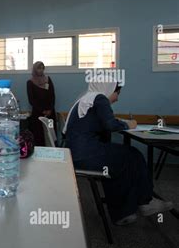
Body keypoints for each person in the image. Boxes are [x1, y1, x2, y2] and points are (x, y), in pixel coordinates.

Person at [64, 81, 174, 225]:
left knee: (118, 161)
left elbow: (103, 122)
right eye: (117, 93)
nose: (117, 98)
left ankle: (124, 213)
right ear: (109, 89)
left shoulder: (86, 99)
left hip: (76, 154)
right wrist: (129, 124)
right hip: (86, 154)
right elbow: (110, 125)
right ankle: (146, 201)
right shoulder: (100, 98)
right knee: (133, 155)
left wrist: (119, 122)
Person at [27, 61, 56, 146]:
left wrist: (50, 109)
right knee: (39, 136)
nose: (41, 70)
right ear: (35, 69)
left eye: (42, 68)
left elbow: (52, 95)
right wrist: (42, 111)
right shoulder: (30, 82)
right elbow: (31, 100)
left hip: (50, 113)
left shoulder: (48, 79)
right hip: (37, 114)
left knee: (51, 135)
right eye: (39, 68)